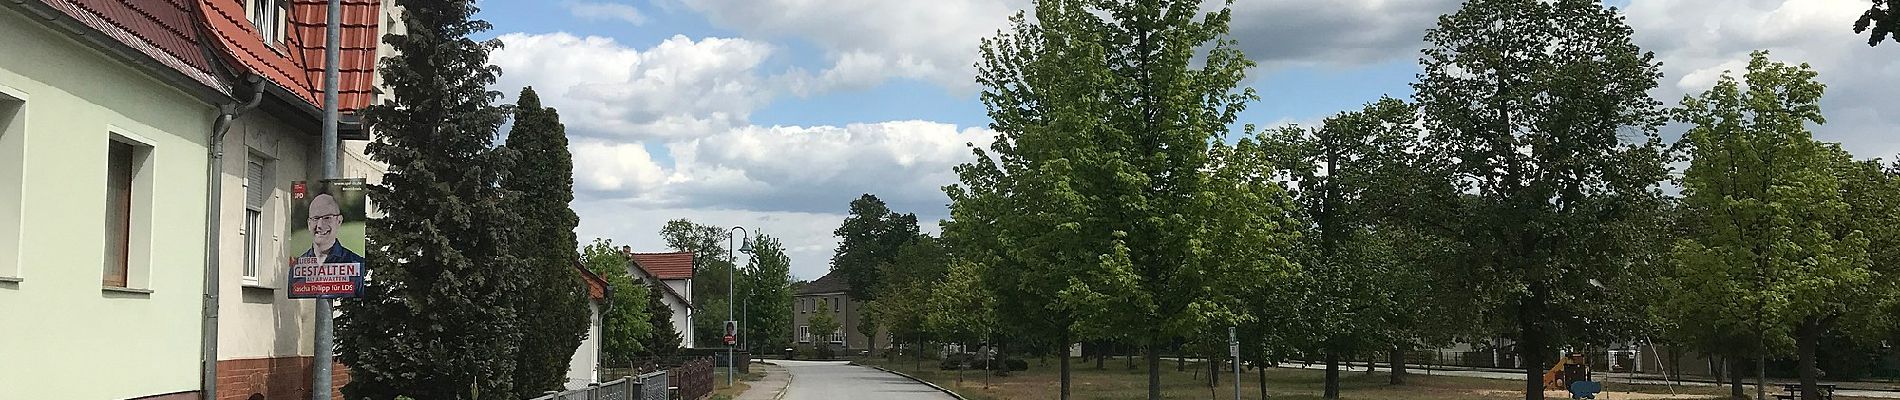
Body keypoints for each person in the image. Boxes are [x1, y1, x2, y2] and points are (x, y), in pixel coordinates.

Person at [301, 192, 366, 265]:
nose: (320, 225)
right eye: (315, 218)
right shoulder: (296, 267)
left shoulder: (358, 265)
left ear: (339, 221)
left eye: (327, 218)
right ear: (309, 224)